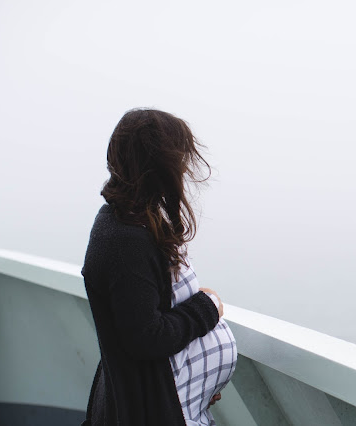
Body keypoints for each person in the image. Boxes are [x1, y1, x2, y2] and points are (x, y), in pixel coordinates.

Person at [81, 108, 237, 425]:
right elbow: (146, 337)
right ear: (159, 167)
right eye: (180, 159)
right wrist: (207, 307)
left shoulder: (125, 224)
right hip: (150, 412)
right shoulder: (125, 240)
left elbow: (147, 315)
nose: (185, 168)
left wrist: (201, 383)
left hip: (170, 400)